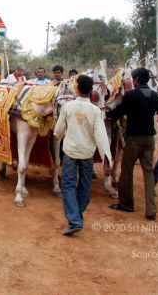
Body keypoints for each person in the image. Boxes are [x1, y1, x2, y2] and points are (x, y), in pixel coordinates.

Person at [54, 75, 112, 236]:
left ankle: (74, 220)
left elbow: (58, 131)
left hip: (70, 152)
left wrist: (57, 135)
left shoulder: (68, 107)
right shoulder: (95, 110)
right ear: (91, 90)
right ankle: (77, 217)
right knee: (85, 186)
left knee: (68, 185)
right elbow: (101, 135)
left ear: (77, 88)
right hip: (87, 154)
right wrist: (107, 159)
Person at [107, 67, 158, 220]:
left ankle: (126, 205)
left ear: (137, 79)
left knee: (127, 171)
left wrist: (106, 114)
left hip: (134, 138)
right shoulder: (154, 95)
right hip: (150, 139)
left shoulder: (131, 95)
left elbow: (119, 112)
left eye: (133, 78)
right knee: (148, 172)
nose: (132, 80)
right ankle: (151, 210)